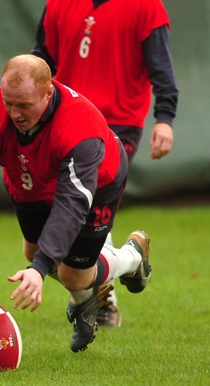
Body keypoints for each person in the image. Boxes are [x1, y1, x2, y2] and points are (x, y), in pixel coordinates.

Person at [0, 54, 151, 353]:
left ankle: (133, 258)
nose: (14, 113)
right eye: (9, 102)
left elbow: (72, 204)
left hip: (98, 183)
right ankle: (86, 303)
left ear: (48, 92)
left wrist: (40, 268)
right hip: (32, 174)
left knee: (72, 274)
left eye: (24, 105)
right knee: (32, 249)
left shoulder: (80, 125)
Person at [31, 0, 179, 327]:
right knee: (51, 228)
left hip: (118, 124)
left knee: (86, 204)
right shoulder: (57, 4)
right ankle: (125, 265)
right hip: (65, 120)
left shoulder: (145, 7)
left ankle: (101, 302)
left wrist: (165, 118)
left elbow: (161, 66)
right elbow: (41, 61)